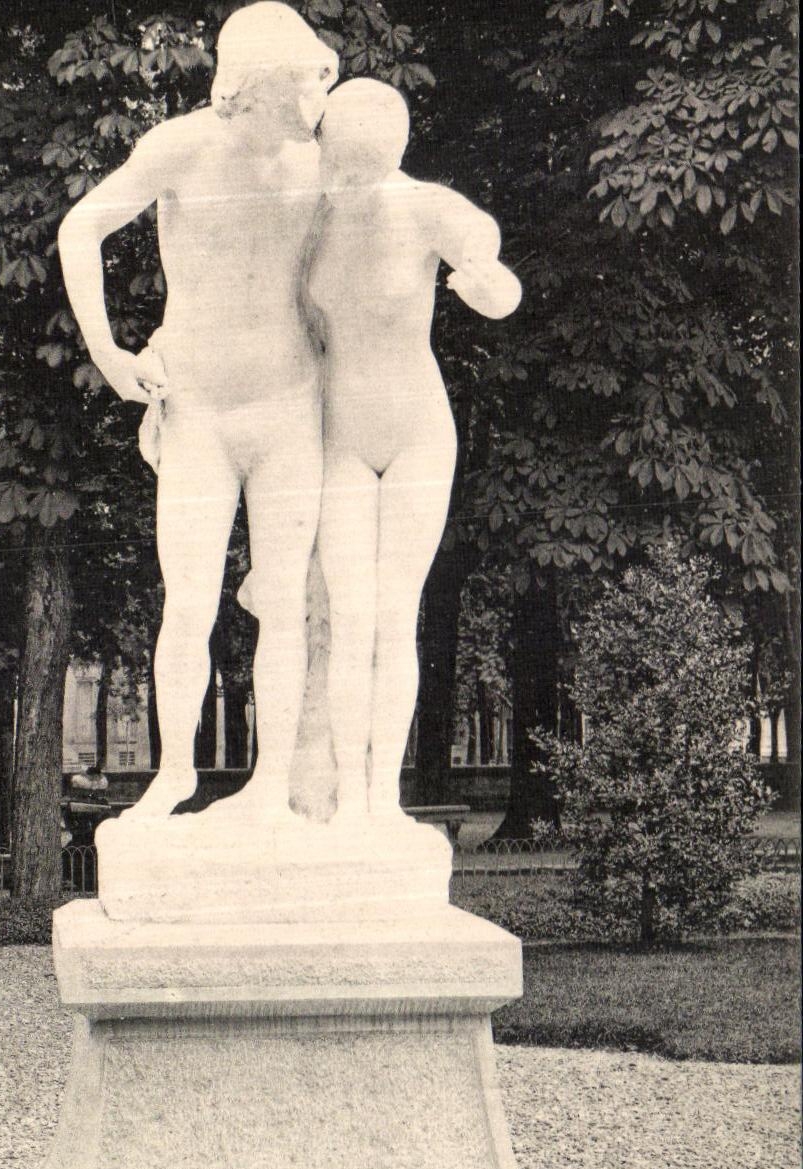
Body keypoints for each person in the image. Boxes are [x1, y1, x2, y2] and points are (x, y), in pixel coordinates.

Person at [57, 2, 338, 821]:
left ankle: (273, 781)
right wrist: (108, 352)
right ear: (252, 85)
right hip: (201, 411)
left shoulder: (320, 162)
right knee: (189, 600)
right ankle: (175, 772)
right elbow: (82, 228)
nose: (317, 99)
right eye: (303, 84)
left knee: (282, 596)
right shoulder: (182, 146)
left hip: (291, 405)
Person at [307, 78, 521, 823]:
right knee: (349, 615)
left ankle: (378, 797)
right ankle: (343, 796)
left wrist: (481, 277)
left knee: (394, 616)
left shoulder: (426, 206)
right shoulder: (314, 218)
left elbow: (488, 263)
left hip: (414, 431)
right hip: (337, 435)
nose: (343, 171)